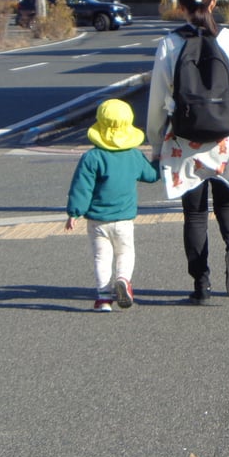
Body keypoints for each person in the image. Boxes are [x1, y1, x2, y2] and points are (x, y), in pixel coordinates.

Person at [146, 0, 229, 305]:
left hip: (186, 141)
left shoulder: (169, 45)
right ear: (214, 3)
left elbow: (157, 101)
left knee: (195, 214)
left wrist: (156, 142)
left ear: (180, 6)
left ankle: (201, 284)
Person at [65, 99, 160, 312]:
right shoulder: (134, 156)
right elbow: (152, 175)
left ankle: (103, 298)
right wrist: (157, 160)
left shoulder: (91, 157)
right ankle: (123, 279)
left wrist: (74, 213)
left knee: (101, 257)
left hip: (97, 220)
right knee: (125, 253)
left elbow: (82, 188)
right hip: (124, 219)